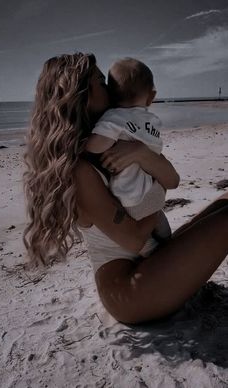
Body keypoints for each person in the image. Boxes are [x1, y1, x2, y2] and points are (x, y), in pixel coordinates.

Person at [23, 52, 228, 325]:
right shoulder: (80, 170)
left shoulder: (121, 135)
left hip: (154, 263)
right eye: (100, 82)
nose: (110, 86)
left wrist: (142, 153)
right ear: (82, 95)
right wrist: (156, 194)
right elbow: (132, 239)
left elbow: (173, 178)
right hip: (129, 290)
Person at [85, 58, 179, 247]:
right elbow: (170, 180)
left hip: (135, 202)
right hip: (152, 195)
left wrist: (82, 145)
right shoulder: (149, 121)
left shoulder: (115, 121)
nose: (107, 89)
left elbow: (173, 180)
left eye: (107, 84)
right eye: (101, 82)